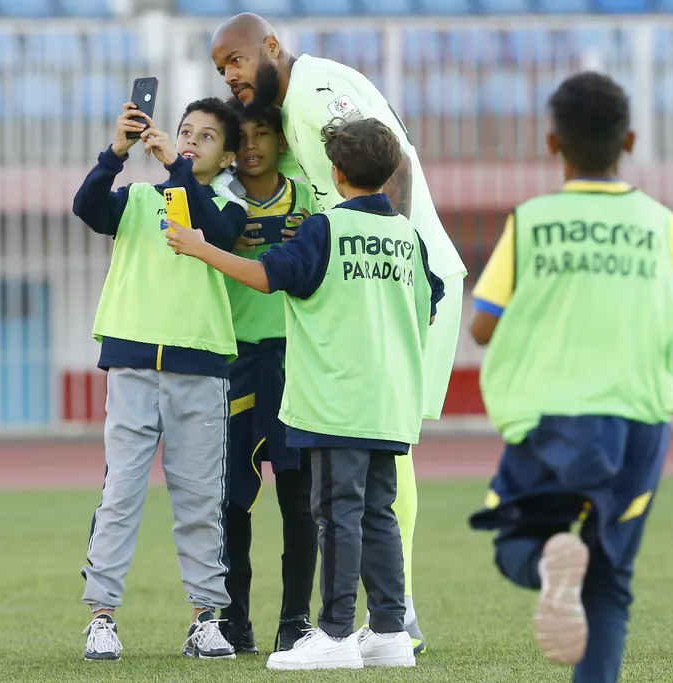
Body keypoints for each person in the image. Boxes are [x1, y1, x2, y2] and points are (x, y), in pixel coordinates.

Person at [211, 13, 467, 651]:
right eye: (221, 69)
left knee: (384, 446)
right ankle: (394, 614)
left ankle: (395, 613)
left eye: (236, 60)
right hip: (391, 279)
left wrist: (384, 259)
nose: (230, 76)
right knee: (383, 446)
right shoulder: (295, 105)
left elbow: (391, 165)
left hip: (401, 282)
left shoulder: (316, 92)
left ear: (272, 47)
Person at [467, 71, 673, 683]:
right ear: (629, 141)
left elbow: (481, 328)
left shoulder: (531, 221)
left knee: (516, 542)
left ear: (552, 142)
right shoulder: (664, 226)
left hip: (551, 419)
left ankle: (548, 561)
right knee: (610, 581)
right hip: (638, 422)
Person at [166, 117, 444, 671]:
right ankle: (389, 629)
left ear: (337, 174)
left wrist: (201, 248)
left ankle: (336, 634)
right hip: (390, 399)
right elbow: (430, 301)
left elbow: (267, 276)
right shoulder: (406, 236)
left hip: (336, 399)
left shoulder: (325, 228)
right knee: (378, 513)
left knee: (336, 513)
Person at [72, 98, 247, 662]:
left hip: (201, 366)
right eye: (185, 131)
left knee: (200, 499)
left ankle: (205, 619)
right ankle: (101, 617)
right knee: (120, 494)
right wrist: (116, 152)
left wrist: (175, 168)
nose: (191, 141)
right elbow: (86, 206)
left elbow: (216, 233)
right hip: (131, 363)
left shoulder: (228, 203)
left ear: (228, 157)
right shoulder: (138, 198)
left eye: (206, 137)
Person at [217, 100, 320, 655]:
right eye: (242, 136)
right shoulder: (219, 200)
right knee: (232, 499)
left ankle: (295, 621)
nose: (252, 145)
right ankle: (234, 621)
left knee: (298, 498)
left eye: (263, 133)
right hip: (234, 359)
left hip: (294, 360)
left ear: (283, 141)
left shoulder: (310, 199)